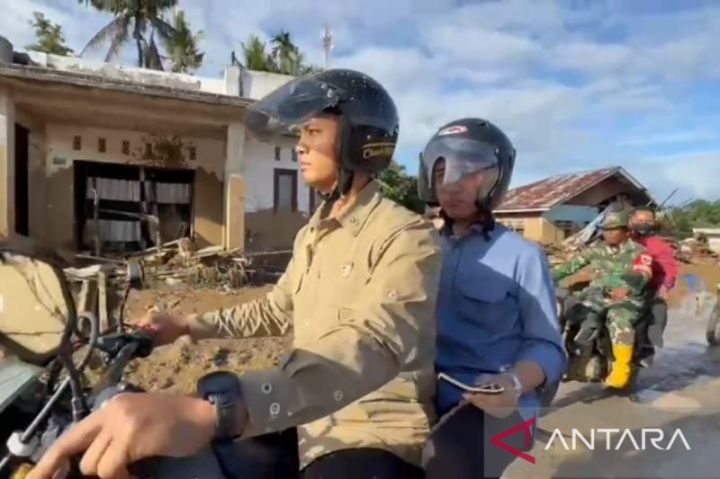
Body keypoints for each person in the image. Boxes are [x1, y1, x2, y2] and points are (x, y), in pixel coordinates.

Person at [28, 69, 441, 479]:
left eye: (313, 132)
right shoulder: (313, 232)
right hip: (304, 415)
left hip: (371, 429)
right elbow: (275, 309)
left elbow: (375, 342)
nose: (300, 145)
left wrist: (225, 409)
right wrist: (185, 325)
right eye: (300, 133)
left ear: (359, 142)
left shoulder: (406, 235)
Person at [416, 118, 567, 479]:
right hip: (423, 392)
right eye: (441, 173)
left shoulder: (523, 256)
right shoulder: (418, 249)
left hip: (504, 404)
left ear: (496, 178)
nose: (451, 184)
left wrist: (513, 383)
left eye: (467, 171)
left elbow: (548, 347)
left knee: (447, 463)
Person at [552, 210, 654, 389]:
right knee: (569, 310)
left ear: (626, 231)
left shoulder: (639, 251)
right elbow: (569, 267)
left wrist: (627, 287)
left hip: (626, 298)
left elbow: (643, 273)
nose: (608, 233)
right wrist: (543, 276)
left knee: (619, 319)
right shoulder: (596, 250)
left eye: (613, 229)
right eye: (605, 229)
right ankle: (574, 357)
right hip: (596, 295)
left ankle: (621, 369)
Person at [629, 207, 677, 363]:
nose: (643, 224)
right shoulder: (623, 238)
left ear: (654, 223)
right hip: (618, 282)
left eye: (647, 221)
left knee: (658, 307)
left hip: (647, 285)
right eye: (640, 220)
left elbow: (669, 269)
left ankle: (647, 346)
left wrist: (665, 286)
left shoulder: (659, 245)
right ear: (631, 221)